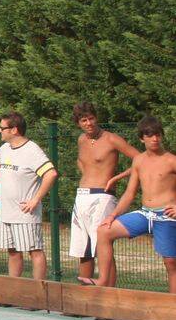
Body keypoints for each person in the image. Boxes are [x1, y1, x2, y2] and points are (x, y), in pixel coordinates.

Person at [92, 116, 176, 292]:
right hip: (145, 214)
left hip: (166, 216)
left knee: (171, 263)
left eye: (158, 135)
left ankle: (172, 304)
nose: (155, 139)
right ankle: (103, 280)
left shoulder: (171, 160)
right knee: (104, 231)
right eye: (150, 135)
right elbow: (130, 193)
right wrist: (112, 215)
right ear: (141, 138)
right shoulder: (139, 160)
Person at [69, 102, 137, 286]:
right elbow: (82, 161)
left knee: (103, 247)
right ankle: (85, 296)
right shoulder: (81, 140)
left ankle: (109, 295)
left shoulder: (111, 139)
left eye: (91, 118)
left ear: (96, 118)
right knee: (84, 251)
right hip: (81, 197)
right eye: (84, 120)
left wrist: (117, 177)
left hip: (103, 197)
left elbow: (141, 159)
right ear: (78, 123)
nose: (89, 123)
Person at [0, 111, 58, 280]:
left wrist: (35, 199)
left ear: (14, 130)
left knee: (34, 251)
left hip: (25, 214)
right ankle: (14, 290)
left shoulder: (32, 150)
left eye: (2, 128)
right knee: (13, 252)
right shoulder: (4, 149)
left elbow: (51, 174)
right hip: (6, 213)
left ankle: (38, 291)